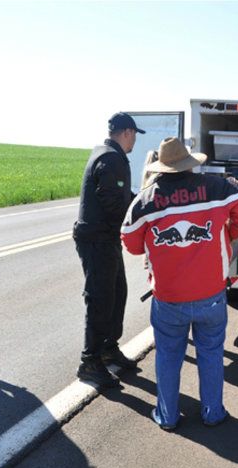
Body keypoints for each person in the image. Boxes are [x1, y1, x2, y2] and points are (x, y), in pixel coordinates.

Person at [121, 137, 238, 430]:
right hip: (212, 295)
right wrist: (228, 235)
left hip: (168, 298)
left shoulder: (145, 199)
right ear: (190, 163)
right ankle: (212, 413)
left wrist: (156, 246)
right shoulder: (218, 188)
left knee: (168, 357)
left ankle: (167, 417)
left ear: (162, 167)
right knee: (211, 355)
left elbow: (130, 242)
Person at [73, 112, 144, 388]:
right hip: (97, 240)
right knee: (101, 299)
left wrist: (142, 203)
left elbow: (119, 198)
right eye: (134, 134)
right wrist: (140, 215)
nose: (134, 140)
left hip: (106, 239)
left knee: (117, 294)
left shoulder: (109, 154)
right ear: (126, 132)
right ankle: (89, 362)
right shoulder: (110, 158)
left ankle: (108, 348)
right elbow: (113, 202)